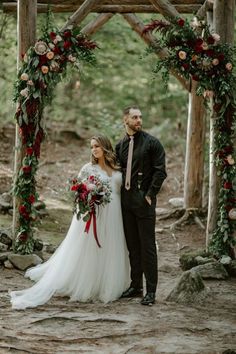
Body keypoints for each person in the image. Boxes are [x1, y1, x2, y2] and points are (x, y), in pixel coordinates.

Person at [10, 135, 130, 310]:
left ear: (105, 147)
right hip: (95, 215)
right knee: (92, 250)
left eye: (97, 146)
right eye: (92, 147)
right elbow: (79, 193)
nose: (94, 150)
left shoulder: (118, 168)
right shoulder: (88, 169)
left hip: (114, 217)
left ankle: (108, 283)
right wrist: (89, 196)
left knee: (111, 248)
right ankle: (88, 283)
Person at [115, 106, 167, 306]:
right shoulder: (120, 146)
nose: (139, 120)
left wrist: (150, 194)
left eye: (140, 117)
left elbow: (160, 171)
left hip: (144, 201)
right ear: (125, 119)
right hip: (126, 202)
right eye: (134, 117)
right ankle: (136, 286)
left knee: (147, 247)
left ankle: (151, 291)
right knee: (133, 247)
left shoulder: (152, 143)